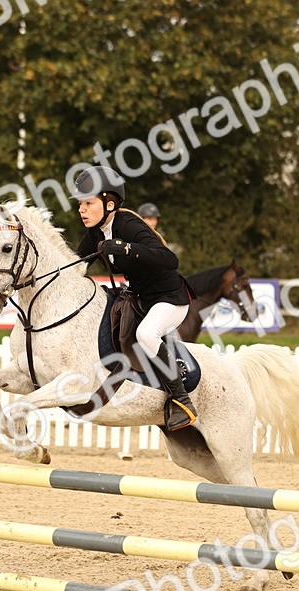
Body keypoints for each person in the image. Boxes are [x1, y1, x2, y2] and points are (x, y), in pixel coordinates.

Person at [73, 167, 197, 431]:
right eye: (80, 204)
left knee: (147, 335)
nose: (81, 210)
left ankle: (182, 400)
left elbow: (169, 259)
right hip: (140, 299)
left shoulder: (128, 224)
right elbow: (76, 264)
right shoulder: (95, 231)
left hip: (169, 298)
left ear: (109, 203)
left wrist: (127, 248)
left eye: (88, 203)